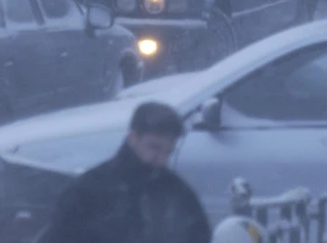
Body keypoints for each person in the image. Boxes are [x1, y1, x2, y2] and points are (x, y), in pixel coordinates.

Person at [38, 102, 212, 243]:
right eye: (154, 147)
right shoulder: (89, 191)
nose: (160, 159)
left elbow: (199, 235)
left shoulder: (177, 194)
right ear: (133, 137)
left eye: (167, 152)